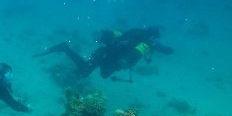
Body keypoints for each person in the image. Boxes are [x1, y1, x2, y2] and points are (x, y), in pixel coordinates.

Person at [33, 27, 173, 82]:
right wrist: (166, 49)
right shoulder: (150, 43)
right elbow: (166, 50)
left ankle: (68, 70)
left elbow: (119, 34)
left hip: (105, 53)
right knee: (84, 72)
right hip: (108, 58)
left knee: (96, 73)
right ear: (153, 36)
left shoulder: (136, 32)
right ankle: (65, 49)